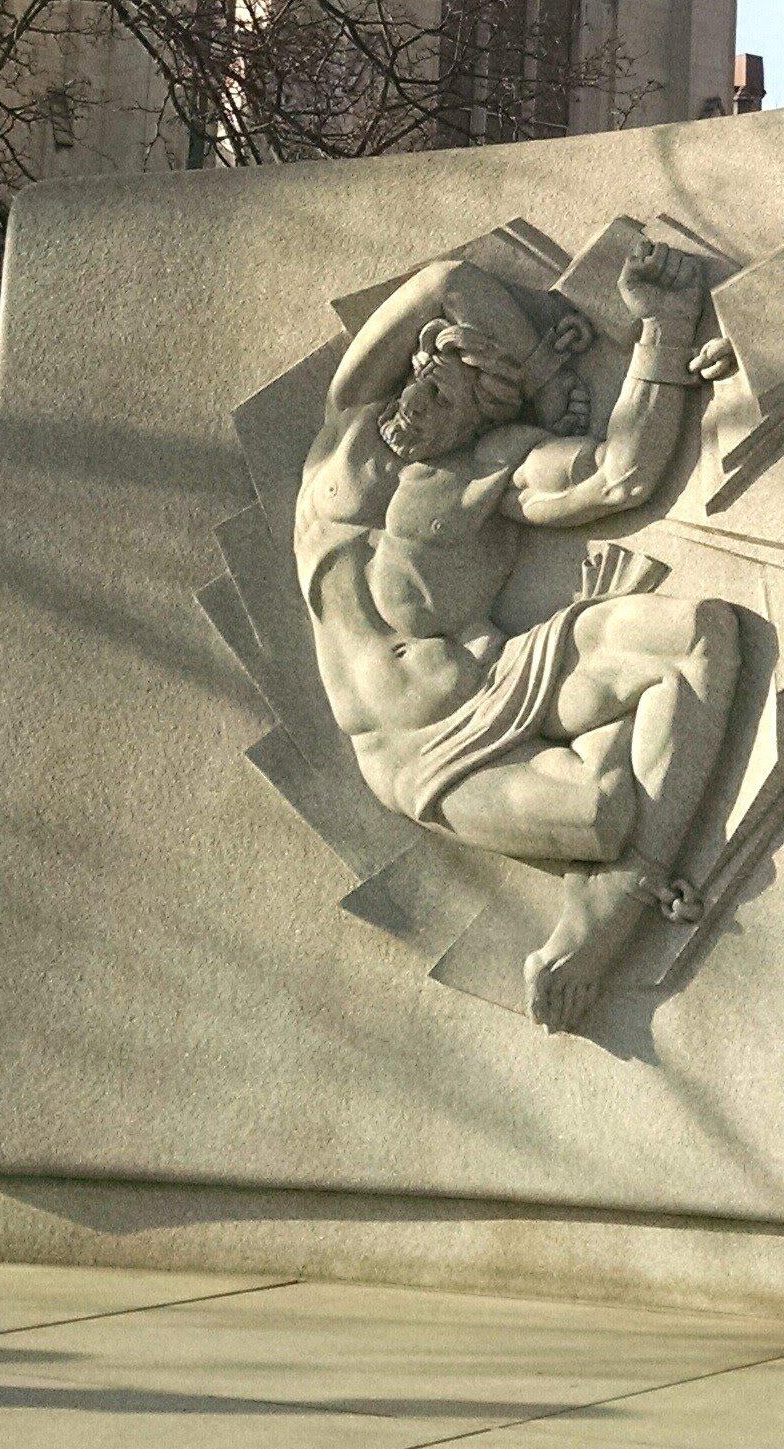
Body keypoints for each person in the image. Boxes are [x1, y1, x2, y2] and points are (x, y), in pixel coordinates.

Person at [292, 239, 742, 1026]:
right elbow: (443, 279)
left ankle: (624, 891)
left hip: (501, 680)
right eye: (424, 385)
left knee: (702, 635)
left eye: (444, 405)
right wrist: (544, 372)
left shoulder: (491, 471)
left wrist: (664, 330)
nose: (416, 408)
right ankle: (614, 873)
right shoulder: (349, 425)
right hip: (415, 752)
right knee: (601, 812)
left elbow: (620, 474)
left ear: (480, 424)